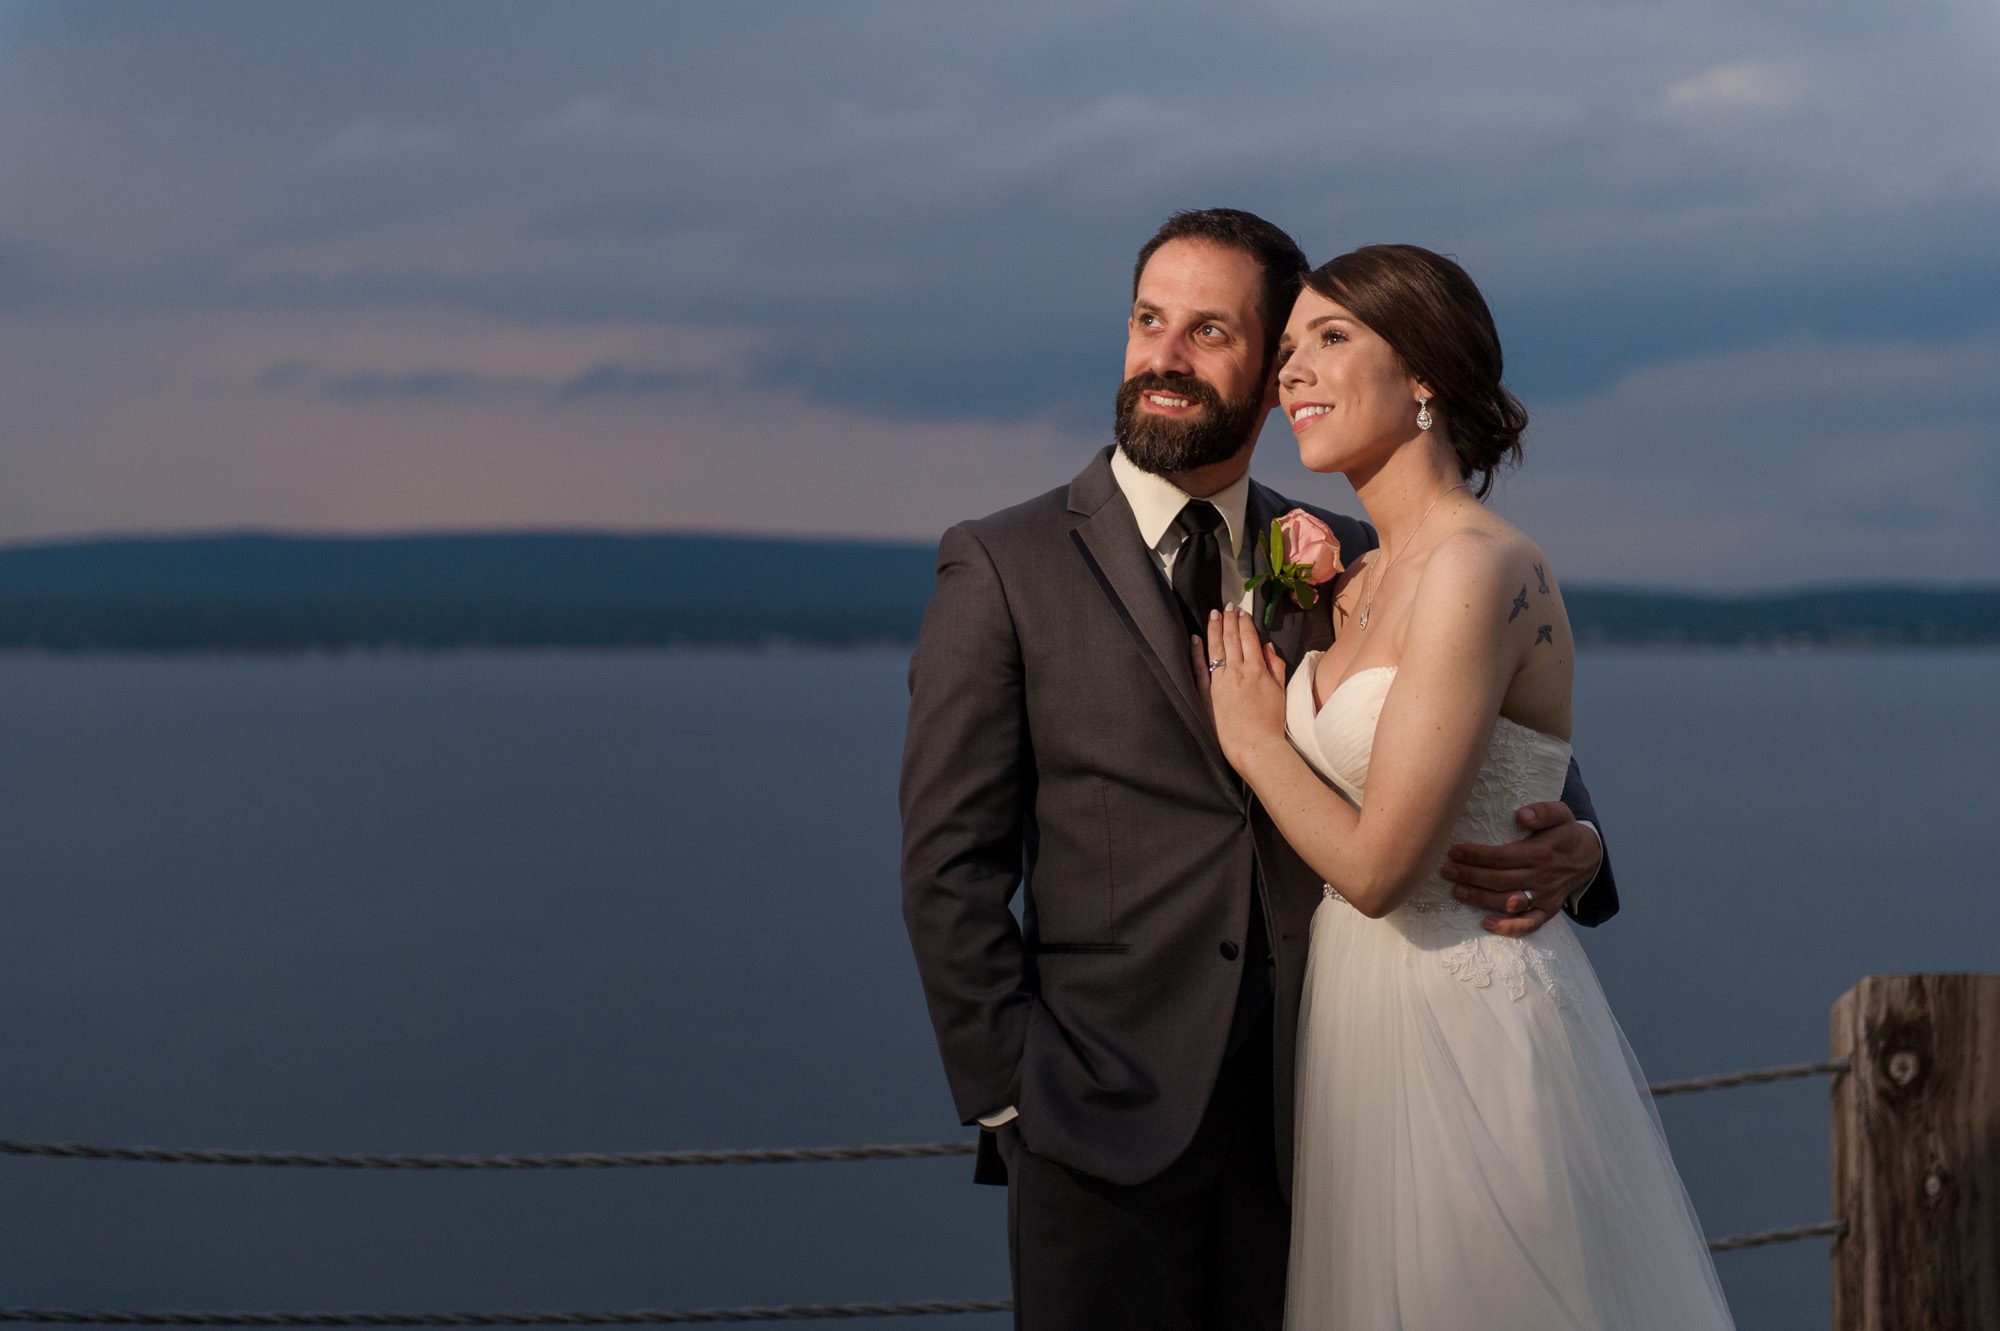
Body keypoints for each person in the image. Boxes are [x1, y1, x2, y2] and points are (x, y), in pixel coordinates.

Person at [899, 210, 1617, 1331]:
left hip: (1325, 1113)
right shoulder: (1000, 561)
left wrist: (1582, 844)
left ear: (1273, 362)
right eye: (1147, 322)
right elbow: (950, 859)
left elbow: (1488, 741)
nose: (1165, 357)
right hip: (1096, 1121)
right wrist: (1008, 1094)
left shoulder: (1350, 556)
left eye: (1210, 331)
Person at [1199, 243, 1732, 1327]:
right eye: (1287, 349)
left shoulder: (1477, 567)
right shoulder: (1351, 576)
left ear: (1426, 373)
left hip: (1464, 1027)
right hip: (1354, 1036)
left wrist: (1255, 739)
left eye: (1329, 339)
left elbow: (1383, 868)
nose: (1288, 373)